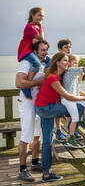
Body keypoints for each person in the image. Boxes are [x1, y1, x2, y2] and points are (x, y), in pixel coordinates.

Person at [35, 52, 85, 182]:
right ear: (57, 62)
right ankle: (71, 137)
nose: (67, 63)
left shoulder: (62, 76)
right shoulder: (53, 77)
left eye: (68, 61)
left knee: (47, 141)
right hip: (46, 108)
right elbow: (68, 96)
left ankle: (46, 174)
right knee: (79, 107)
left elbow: (73, 91)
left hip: (43, 108)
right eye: (64, 61)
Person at [15, 39, 50, 182]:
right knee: (26, 136)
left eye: (46, 49)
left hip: (39, 104)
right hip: (27, 103)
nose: (45, 52)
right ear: (35, 51)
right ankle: (22, 169)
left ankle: (35, 162)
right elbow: (19, 83)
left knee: (37, 135)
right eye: (42, 50)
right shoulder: (26, 63)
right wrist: (37, 82)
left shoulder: (44, 63)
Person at [17, 7, 46, 99]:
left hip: (31, 50)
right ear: (32, 15)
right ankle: (26, 86)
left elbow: (39, 40)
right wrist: (41, 27)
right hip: (26, 51)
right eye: (39, 15)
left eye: (43, 16)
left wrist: (36, 39)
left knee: (49, 60)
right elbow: (42, 39)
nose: (41, 17)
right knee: (37, 63)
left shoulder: (36, 27)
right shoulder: (30, 27)